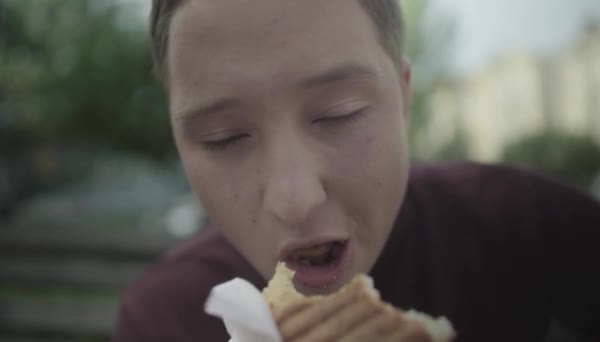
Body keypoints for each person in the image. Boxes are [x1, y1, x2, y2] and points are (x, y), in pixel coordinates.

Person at [112, 0, 600, 341]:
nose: (294, 197)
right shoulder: (166, 322)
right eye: (225, 138)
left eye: (338, 112)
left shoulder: (521, 224)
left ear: (405, 98)